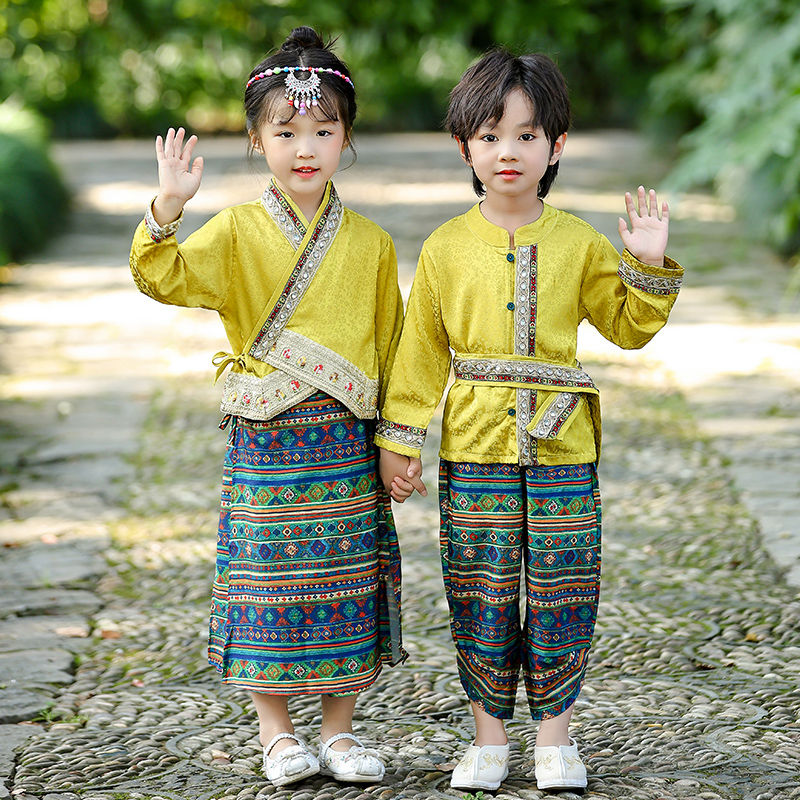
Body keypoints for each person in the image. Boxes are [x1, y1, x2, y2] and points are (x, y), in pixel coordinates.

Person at [376, 48, 684, 793]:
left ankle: (555, 740)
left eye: (525, 135)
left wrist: (645, 263)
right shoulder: (447, 247)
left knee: (562, 586)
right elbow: (420, 353)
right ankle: (487, 740)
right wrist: (400, 439)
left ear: (557, 146)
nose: (507, 152)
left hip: (563, 446)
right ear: (464, 148)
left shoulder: (579, 241)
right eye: (488, 136)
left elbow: (627, 325)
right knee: (478, 586)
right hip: (476, 444)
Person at [129, 26, 406, 789]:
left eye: (323, 129)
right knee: (268, 583)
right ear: (256, 139)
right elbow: (162, 277)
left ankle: (341, 731)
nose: (304, 146)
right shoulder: (236, 232)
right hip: (267, 440)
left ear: (346, 136)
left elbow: (393, 349)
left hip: (346, 440)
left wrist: (398, 440)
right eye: (285, 132)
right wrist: (167, 207)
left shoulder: (373, 245)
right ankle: (278, 733)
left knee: (347, 580)